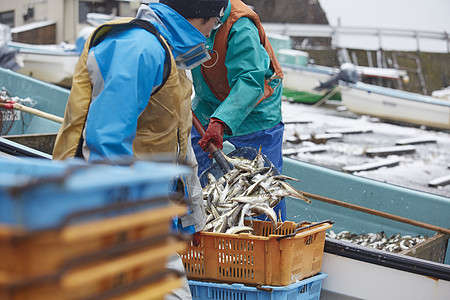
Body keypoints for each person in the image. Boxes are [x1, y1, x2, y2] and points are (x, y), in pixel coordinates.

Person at [52, 1, 228, 299]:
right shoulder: (139, 49)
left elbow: (175, 144)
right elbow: (105, 143)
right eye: (215, 21)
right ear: (198, 16)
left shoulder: (166, 50)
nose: (213, 31)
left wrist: (191, 217)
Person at [190, 0, 286, 220]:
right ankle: (199, 220)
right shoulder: (186, 14)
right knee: (191, 160)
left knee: (264, 183)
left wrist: (221, 121)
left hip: (257, 104)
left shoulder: (240, 25)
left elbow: (250, 80)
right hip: (209, 100)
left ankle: (270, 233)